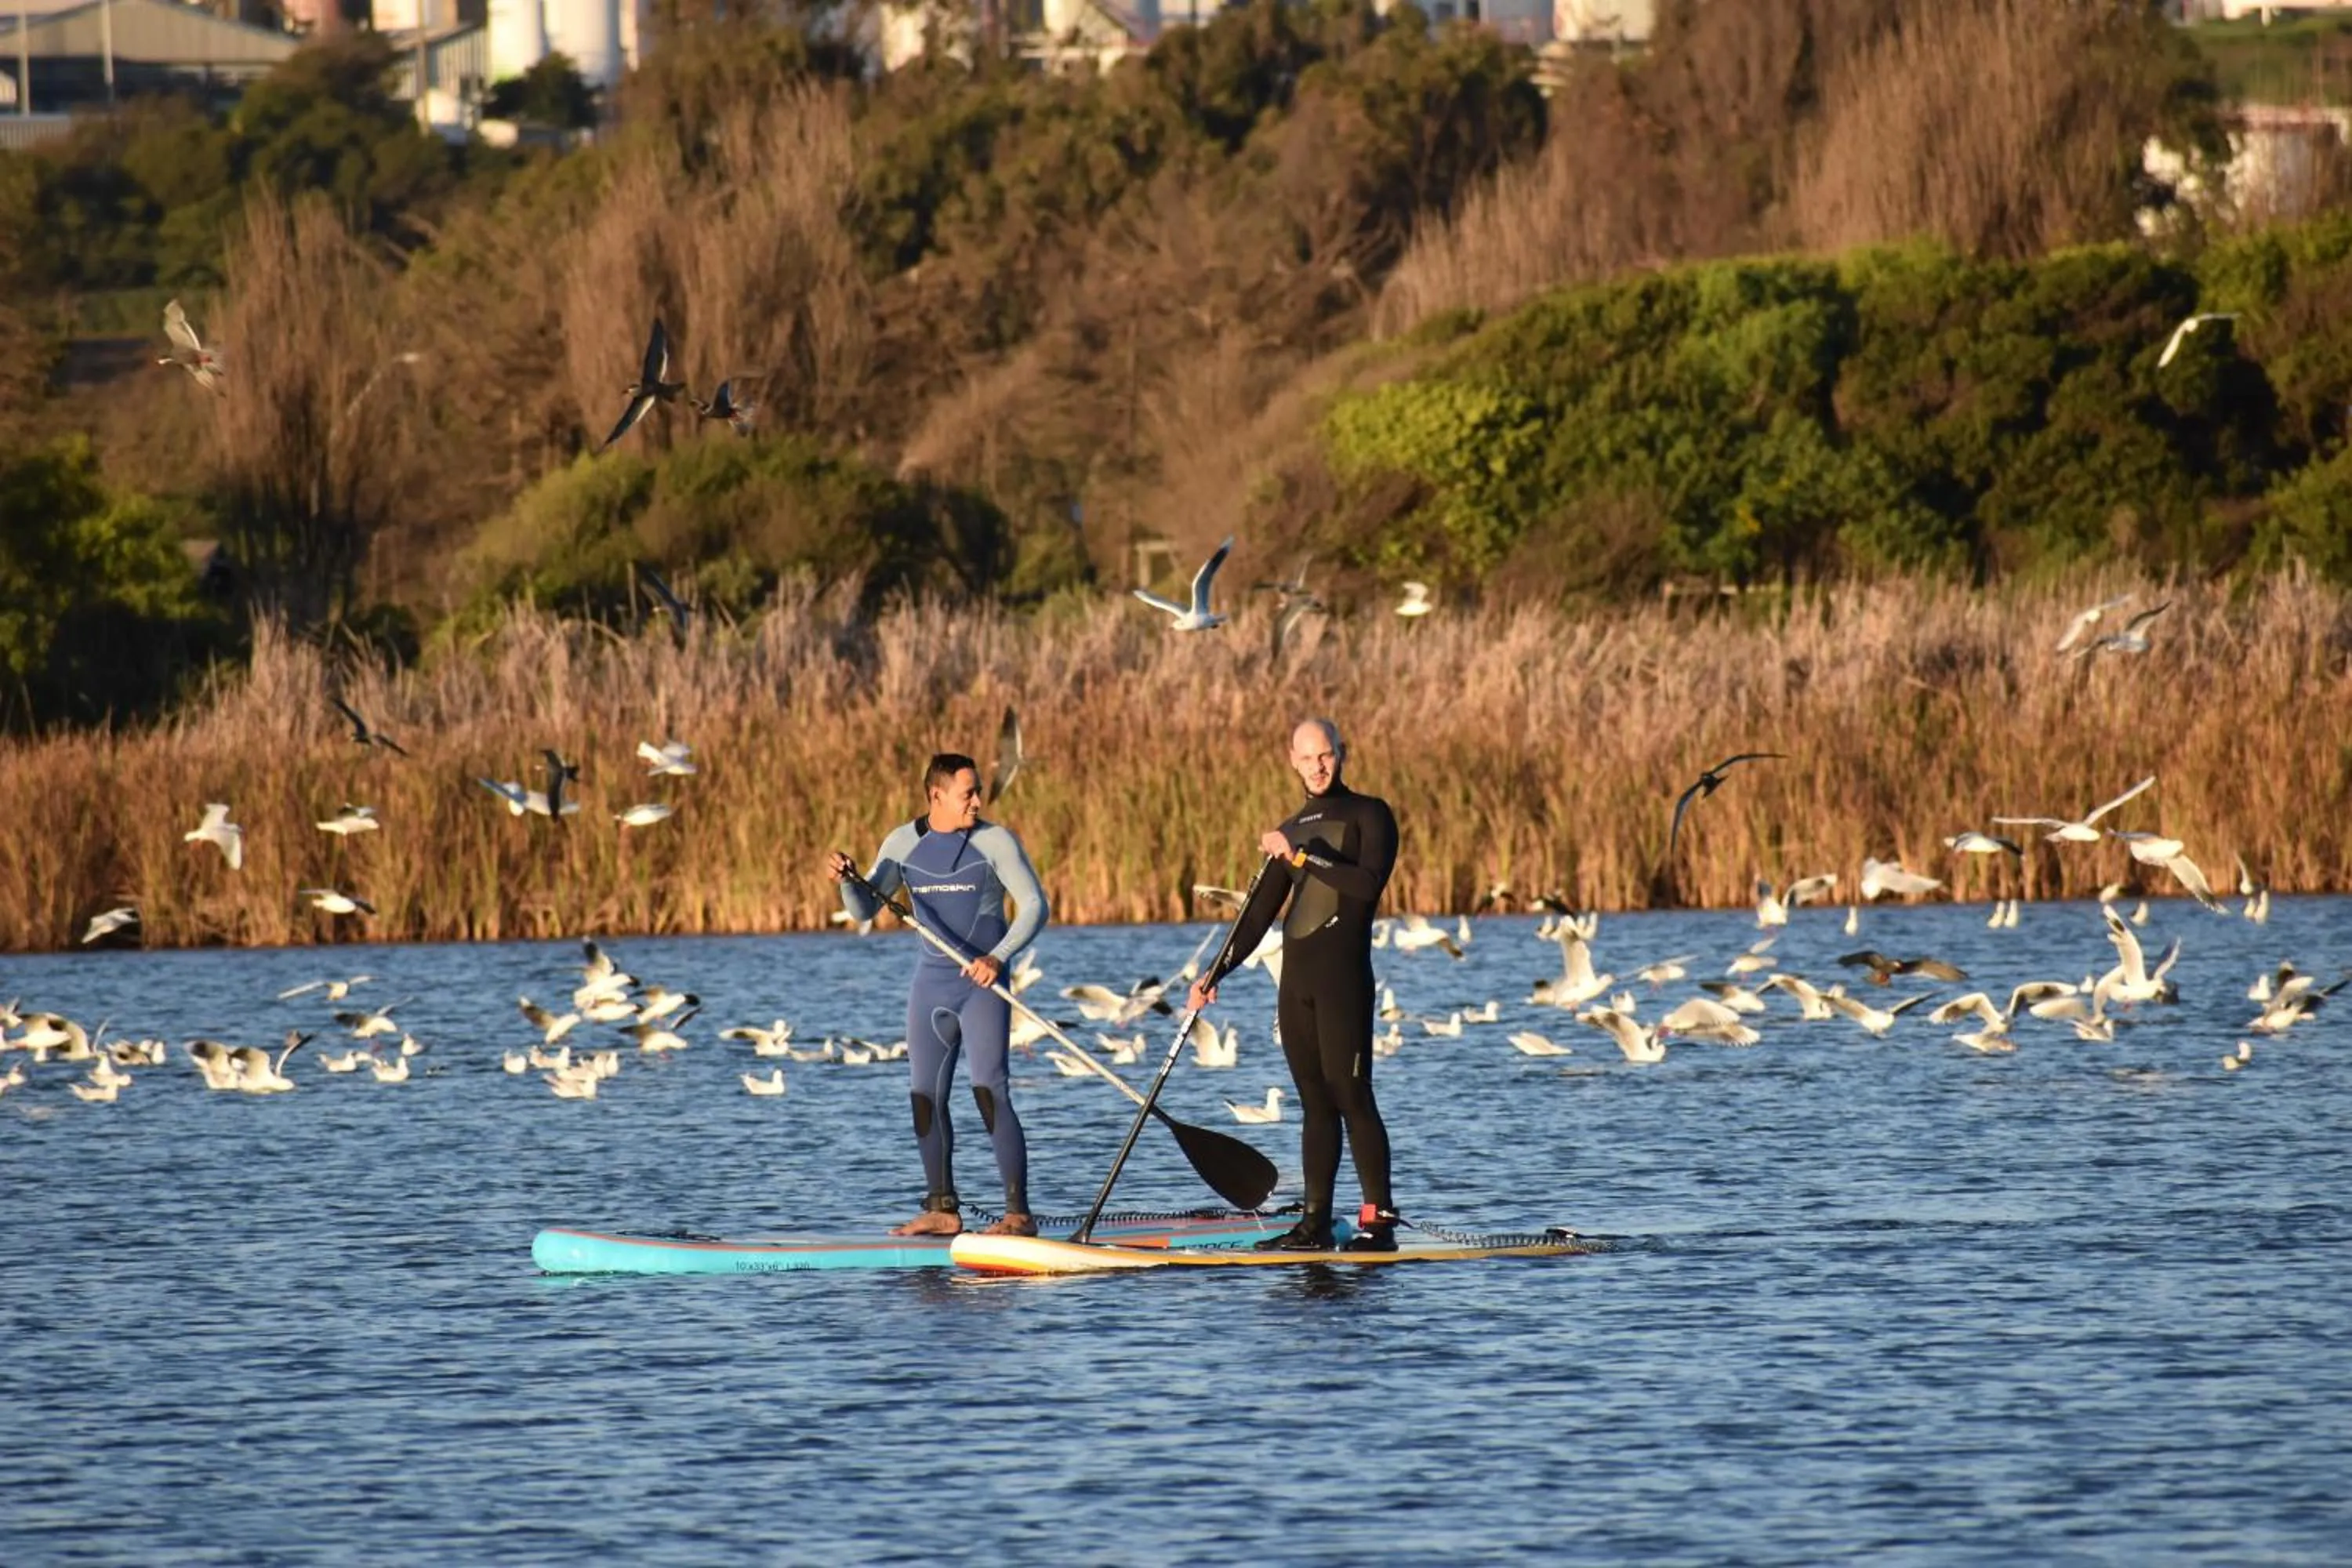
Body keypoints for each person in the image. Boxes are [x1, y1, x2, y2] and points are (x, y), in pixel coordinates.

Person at [1187, 718, 1401, 1252]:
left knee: (1351, 1094)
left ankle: (1378, 1224)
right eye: (1308, 758)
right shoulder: (1292, 826)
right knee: (1313, 1103)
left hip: (1342, 978)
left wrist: (1300, 854)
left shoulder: (1370, 815)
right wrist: (1214, 973)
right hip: (1298, 982)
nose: (1318, 766)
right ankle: (1315, 1223)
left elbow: (1366, 883)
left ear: (1342, 753)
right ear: (1292, 760)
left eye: (1326, 755)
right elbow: (1257, 916)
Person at [828, 753, 1049, 1237]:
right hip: (931, 989)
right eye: (968, 793)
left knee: (990, 1092)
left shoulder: (994, 841)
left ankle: (1018, 1215)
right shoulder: (902, 843)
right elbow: (865, 909)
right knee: (925, 1097)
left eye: (978, 792)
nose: (977, 801)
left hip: (982, 987)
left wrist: (998, 957)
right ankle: (942, 1209)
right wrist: (848, 881)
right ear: (937, 796)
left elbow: (1035, 906)